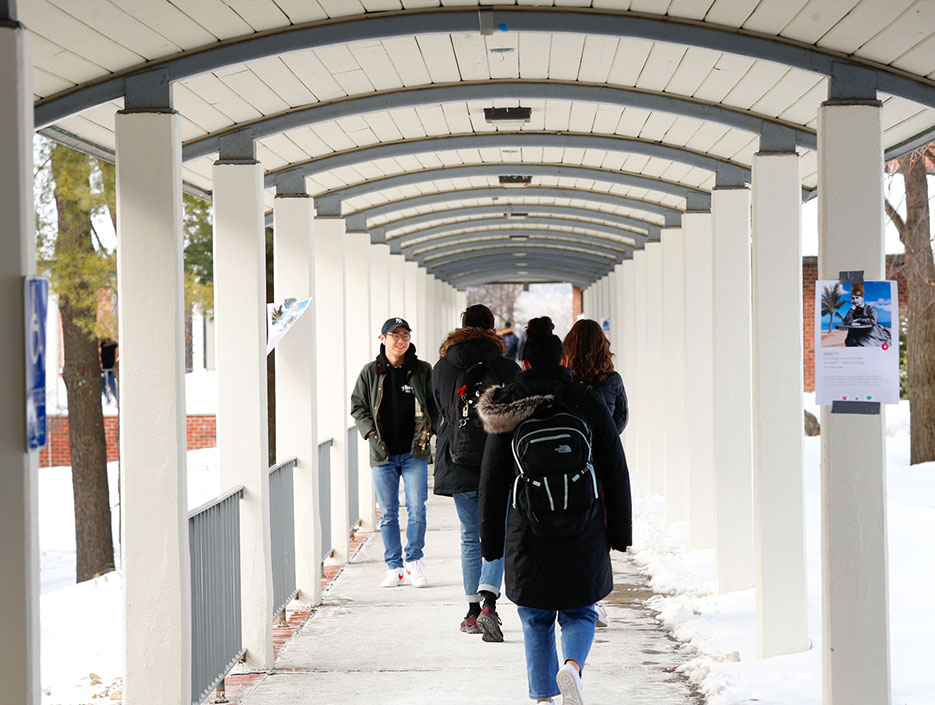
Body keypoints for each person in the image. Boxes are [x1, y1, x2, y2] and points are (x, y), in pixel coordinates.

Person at [477, 317, 632, 705]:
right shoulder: (584, 398)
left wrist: (491, 543)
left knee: (535, 617)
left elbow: (492, 481)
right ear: (563, 358)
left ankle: (543, 697)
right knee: (580, 610)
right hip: (584, 523)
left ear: (524, 363)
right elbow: (615, 468)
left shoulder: (508, 405)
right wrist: (620, 532)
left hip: (527, 528)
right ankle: (573, 668)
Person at [433, 304, 521, 640]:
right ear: (492, 329)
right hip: (497, 462)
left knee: (470, 535)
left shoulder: (442, 367)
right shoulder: (506, 367)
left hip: (458, 461)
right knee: (495, 531)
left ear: (462, 327)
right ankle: (488, 603)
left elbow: (439, 409)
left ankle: (471, 612)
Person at [351, 317, 440, 589]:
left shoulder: (423, 370)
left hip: (415, 452)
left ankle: (413, 562)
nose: (400, 341)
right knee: (388, 513)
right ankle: (394, 567)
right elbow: (358, 407)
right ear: (382, 338)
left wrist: (431, 431)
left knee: (417, 509)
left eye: (405, 336)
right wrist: (370, 434)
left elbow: (436, 404)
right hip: (383, 454)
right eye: (394, 335)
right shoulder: (371, 372)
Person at [563, 319, 628, 434]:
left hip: (572, 447)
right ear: (602, 346)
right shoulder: (613, 380)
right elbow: (621, 419)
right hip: (603, 448)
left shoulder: (565, 382)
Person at [840, 283, 892, 347]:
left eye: (857, 298)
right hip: (854, 335)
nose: (855, 300)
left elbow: (873, 321)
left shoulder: (870, 309)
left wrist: (858, 320)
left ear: (862, 298)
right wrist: (852, 309)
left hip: (869, 334)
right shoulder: (852, 310)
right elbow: (847, 321)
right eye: (853, 298)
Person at [100, 338, 119, 405]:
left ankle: (117, 399)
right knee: (103, 383)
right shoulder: (103, 345)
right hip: (105, 368)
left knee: (112, 384)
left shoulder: (112, 345)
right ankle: (108, 399)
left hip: (110, 368)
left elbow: (116, 343)